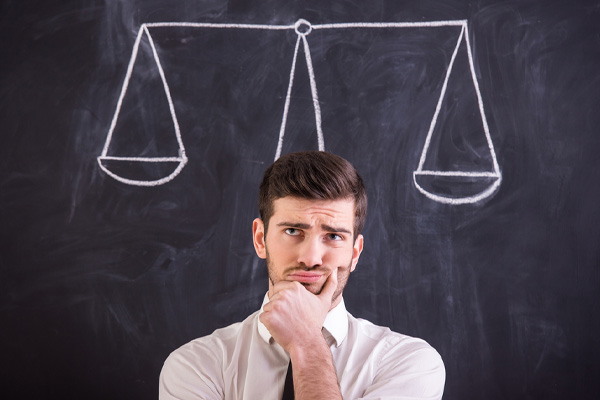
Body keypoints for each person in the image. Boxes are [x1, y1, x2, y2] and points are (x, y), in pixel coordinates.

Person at [159, 151, 445, 399]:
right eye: (293, 231)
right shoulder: (197, 365)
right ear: (260, 239)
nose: (310, 258)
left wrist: (306, 341)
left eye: (333, 236)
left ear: (355, 253)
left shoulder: (408, 363)